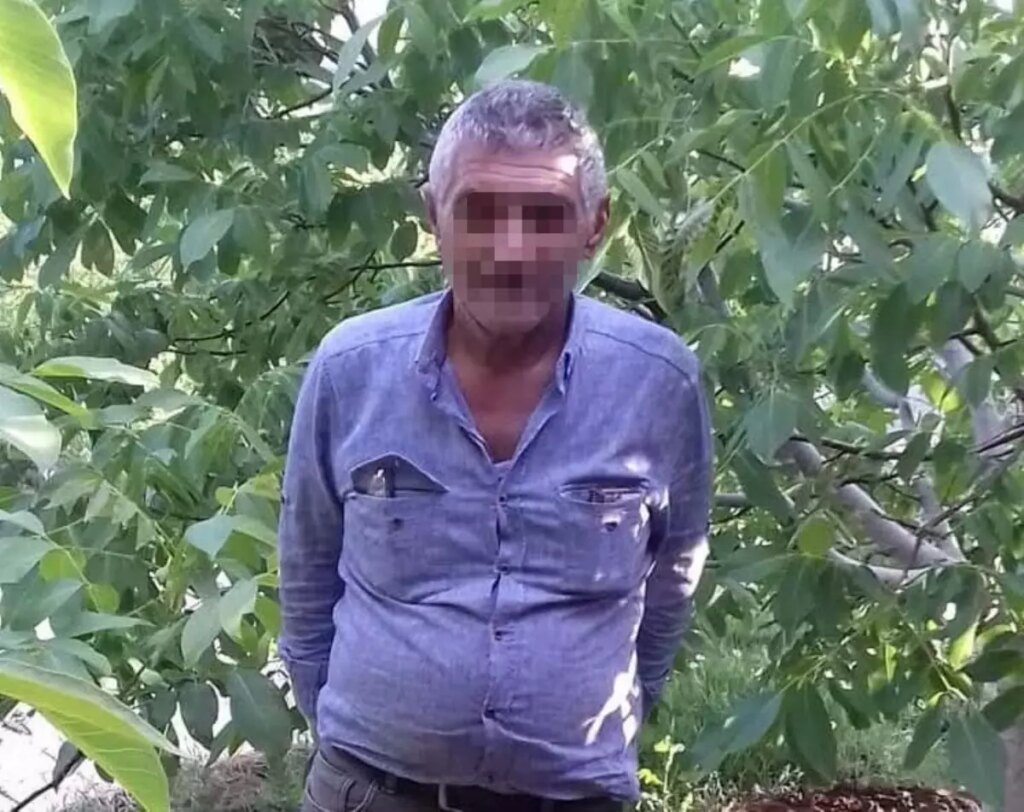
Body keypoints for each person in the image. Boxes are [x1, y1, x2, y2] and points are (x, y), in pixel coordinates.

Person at [279, 79, 712, 812]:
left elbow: (672, 580)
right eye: (478, 212)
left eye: (544, 216)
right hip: (369, 793)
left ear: (595, 225)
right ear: (433, 217)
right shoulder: (351, 370)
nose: (511, 251)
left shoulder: (658, 381)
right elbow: (308, 573)